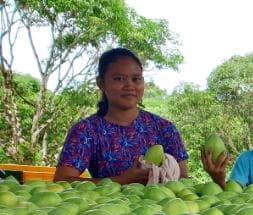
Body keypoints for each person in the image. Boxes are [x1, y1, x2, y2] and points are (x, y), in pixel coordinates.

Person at [54, 48, 189, 184]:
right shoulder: (86, 131)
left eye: (136, 79)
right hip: (106, 205)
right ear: (101, 83)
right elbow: (63, 181)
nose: (129, 85)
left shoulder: (164, 128)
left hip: (161, 205)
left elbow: (182, 181)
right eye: (119, 79)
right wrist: (123, 180)